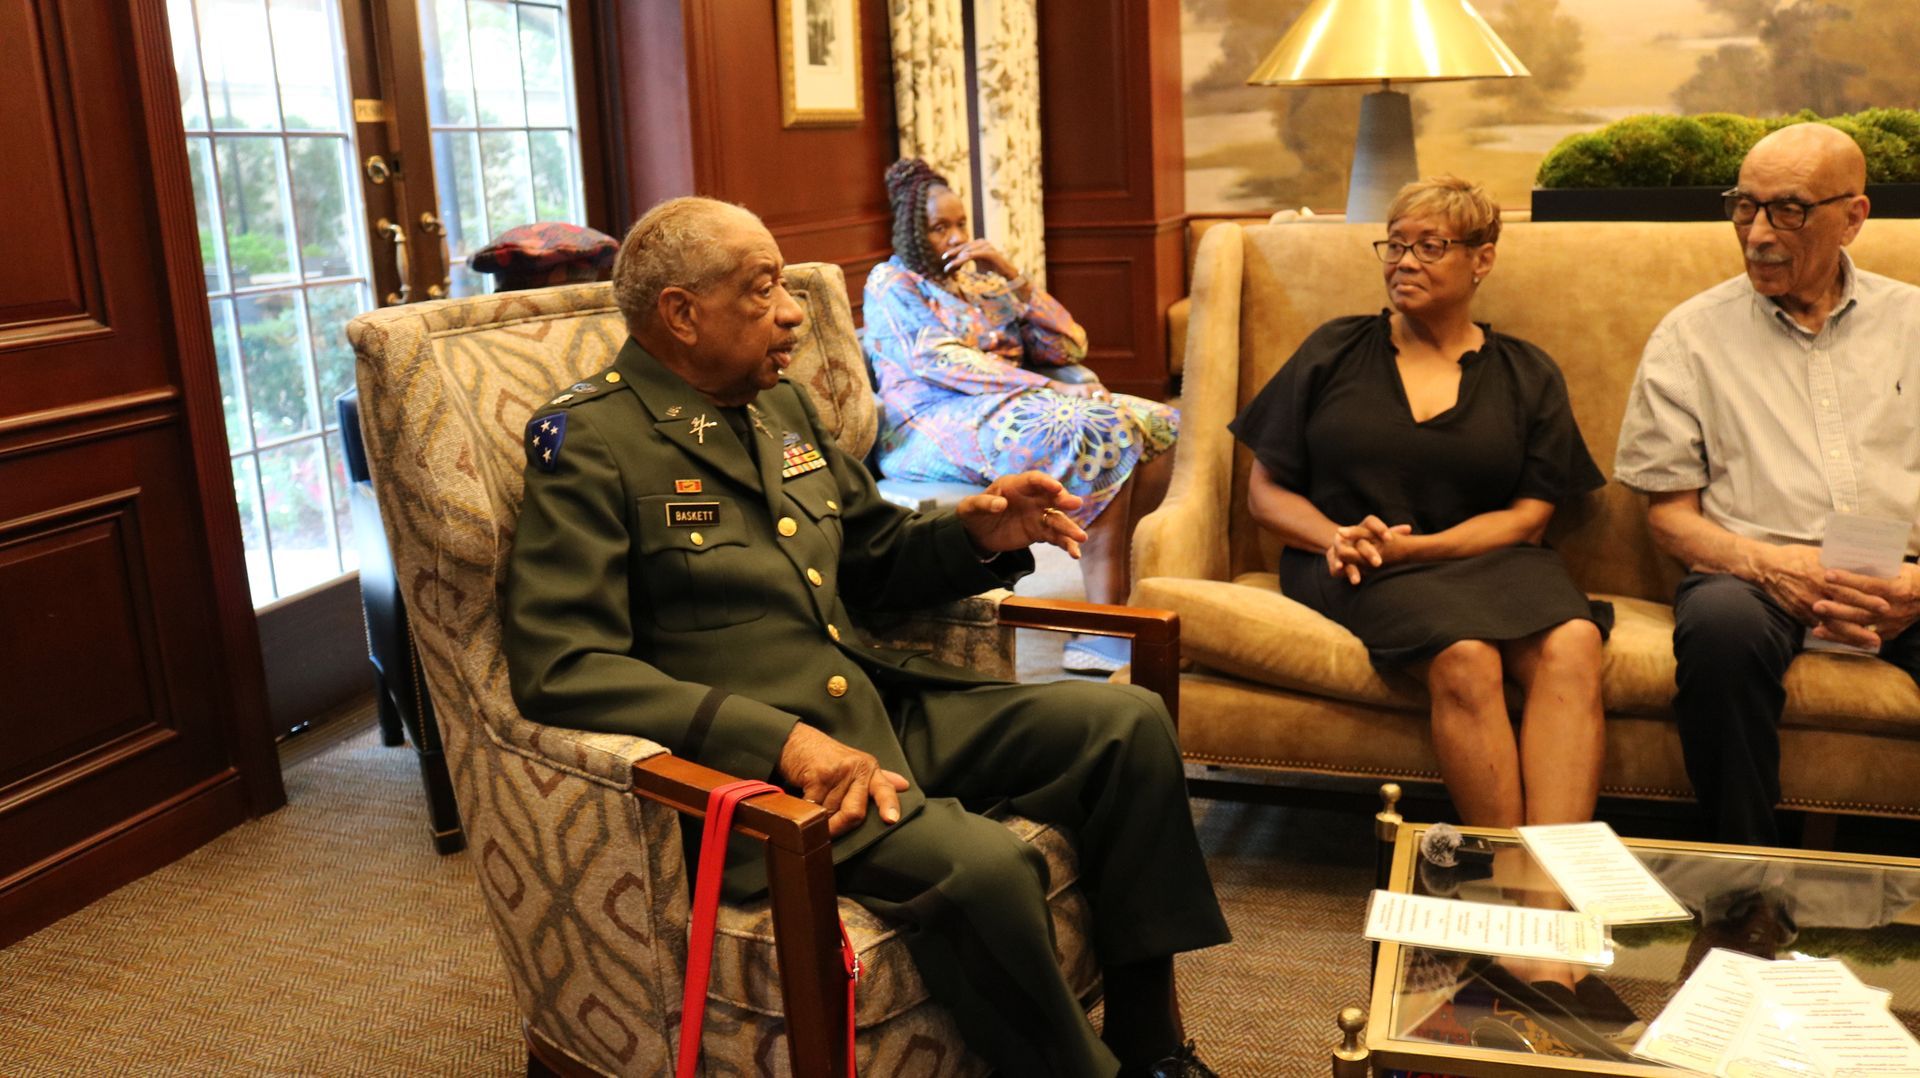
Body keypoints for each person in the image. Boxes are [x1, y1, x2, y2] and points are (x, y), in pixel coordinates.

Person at [501, 196, 1228, 1078]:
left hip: (878, 709)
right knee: (988, 867)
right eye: (762, 289)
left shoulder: (781, 409)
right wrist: (780, 742)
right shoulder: (592, 441)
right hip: (771, 783)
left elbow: (872, 557)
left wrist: (978, 534)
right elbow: (563, 665)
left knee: (1128, 724)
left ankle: (1151, 1045)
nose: (793, 313)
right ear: (681, 314)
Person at [1229, 175, 1611, 829]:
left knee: (1574, 641)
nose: (1404, 262)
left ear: (1482, 259)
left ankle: (1551, 876)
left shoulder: (1526, 372)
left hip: (1495, 559)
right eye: (1395, 245)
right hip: (1357, 562)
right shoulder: (1333, 350)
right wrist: (1334, 538)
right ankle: (1501, 867)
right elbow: (1264, 492)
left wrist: (1424, 548)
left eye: (1430, 246)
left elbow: (1530, 517)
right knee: (1465, 655)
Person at [1615, 122, 1920, 847]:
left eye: (1788, 210)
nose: (1757, 234)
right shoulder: (1690, 335)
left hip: (1907, 572)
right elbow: (1669, 517)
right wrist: (1772, 566)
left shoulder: (1913, 322)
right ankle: (1746, 881)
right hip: (1755, 575)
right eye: (1744, 207)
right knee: (1720, 631)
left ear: (1853, 217)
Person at [863, 157, 1179, 673]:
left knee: (1161, 423)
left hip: (1008, 404)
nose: (956, 237)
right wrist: (1054, 389)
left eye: (961, 223)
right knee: (1092, 430)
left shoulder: (979, 283)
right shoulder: (892, 282)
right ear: (910, 231)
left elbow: (1069, 345)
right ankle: (1101, 629)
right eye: (939, 227)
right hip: (930, 422)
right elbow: (941, 360)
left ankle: (1122, 599)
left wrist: (1013, 278)